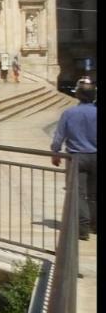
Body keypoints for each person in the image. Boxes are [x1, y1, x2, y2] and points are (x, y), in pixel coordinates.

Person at [50, 79, 97, 240]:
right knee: (94, 193)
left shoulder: (69, 113)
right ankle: (94, 225)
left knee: (79, 193)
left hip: (77, 157)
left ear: (78, 94)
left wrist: (55, 152)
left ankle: (82, 228)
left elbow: (59, 136)